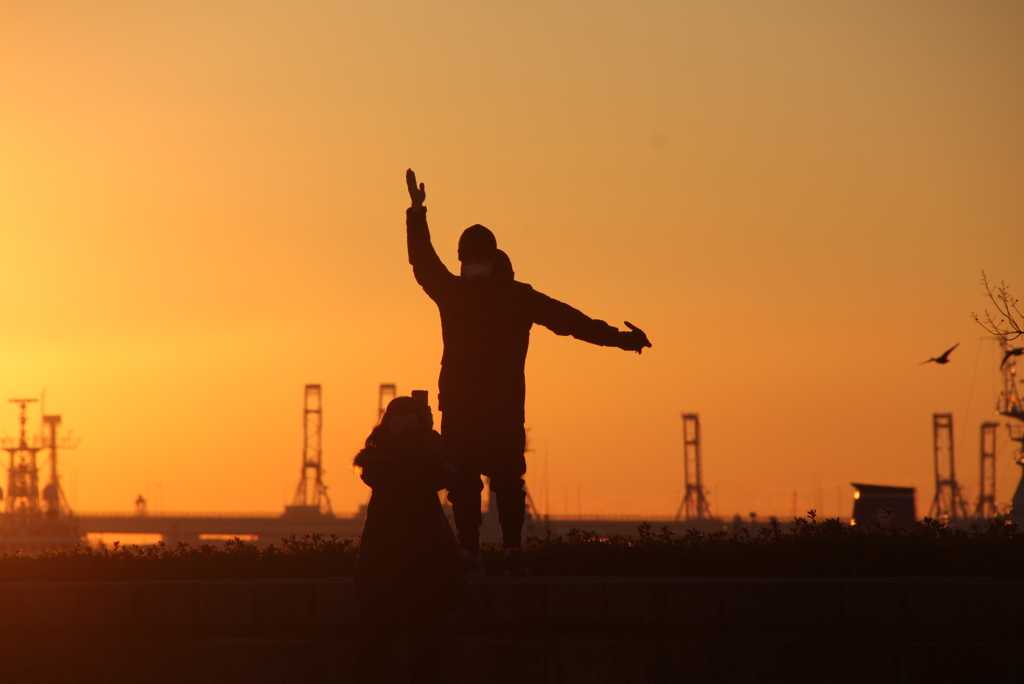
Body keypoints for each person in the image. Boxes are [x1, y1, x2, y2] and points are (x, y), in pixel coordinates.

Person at [404, 168, 651, 576]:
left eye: (470, 259)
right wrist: (622, 341)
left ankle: (473, 555)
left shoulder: (456, 293)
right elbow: (575, 323)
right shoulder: (516, 297)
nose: (469, 265)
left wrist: (417, 214)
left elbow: (423, 263)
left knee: (467, 485)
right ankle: (511, 552)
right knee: (505, 482)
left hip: (465, 409)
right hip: (501, 408)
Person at [352, 394, 462, 684]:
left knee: (374, 636)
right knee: (425, 636)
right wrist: (426, 440)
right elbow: (446, 474)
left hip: (381, 557)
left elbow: (376, 473)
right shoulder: (428, 453)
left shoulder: (376, 457)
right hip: (426, 556)